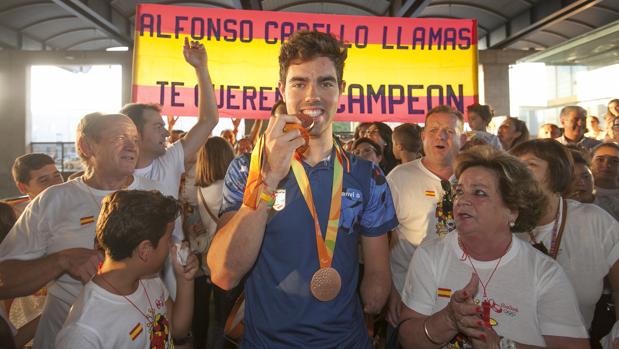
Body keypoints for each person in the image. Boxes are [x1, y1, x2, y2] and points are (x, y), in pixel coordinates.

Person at [207, 30, 397, 348]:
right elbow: (224, 274)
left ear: (341, 91)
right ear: (282, 90)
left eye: (325, 82)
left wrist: (374, 304)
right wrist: (269, 177)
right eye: (299, 83)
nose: (313, 95)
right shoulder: (246, 169)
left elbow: (378, 277)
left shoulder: (368, 175)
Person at [0, 113, 165, 348]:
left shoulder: (157, 196)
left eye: (136, 139)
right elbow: (4, 279)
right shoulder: (53, 201)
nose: (132, 146)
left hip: (141, 329)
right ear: (86, 146)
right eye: (119, 137)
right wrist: (60, 261)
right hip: (67, 332)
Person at [398, 146, 589, 348]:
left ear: (512, 210)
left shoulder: (543, 273)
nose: (463, 200)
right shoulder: (431, 255)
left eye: (479, 193)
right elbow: (408, 339)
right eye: (460, 191)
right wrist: (448, 320)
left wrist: (502, 346)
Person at [55, 190, 198, 348]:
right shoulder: (84, 333)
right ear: (145, 250)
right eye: (169, 239)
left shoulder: (149, 279)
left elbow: (177, 330)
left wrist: (185, 280)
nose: (172, 245)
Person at [511, 139, 619, 338]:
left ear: (556, 173)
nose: (518, 173)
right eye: (515, 166)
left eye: (530, 165)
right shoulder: (502, 223)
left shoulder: (593, 221)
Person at [386, 105, 465, 328]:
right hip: (408, 296)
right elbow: (382, 239)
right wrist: (390, 290)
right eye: (433, 130)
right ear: (422, 137)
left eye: (449, 131)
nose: (440, 136)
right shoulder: (399, 178)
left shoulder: (475, 179)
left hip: (462, 298)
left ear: (463, 138)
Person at [193, 136, 236, 348]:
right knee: (227, 317)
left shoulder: (200, 188)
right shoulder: (231, 189)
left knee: (211, 315)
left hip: (210, 258)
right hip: (231, 256)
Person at [590, 143, 619, 220]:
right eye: (600, 159)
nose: (606, 164)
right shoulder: (583, 191)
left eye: (614, 161)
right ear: (591, 163)